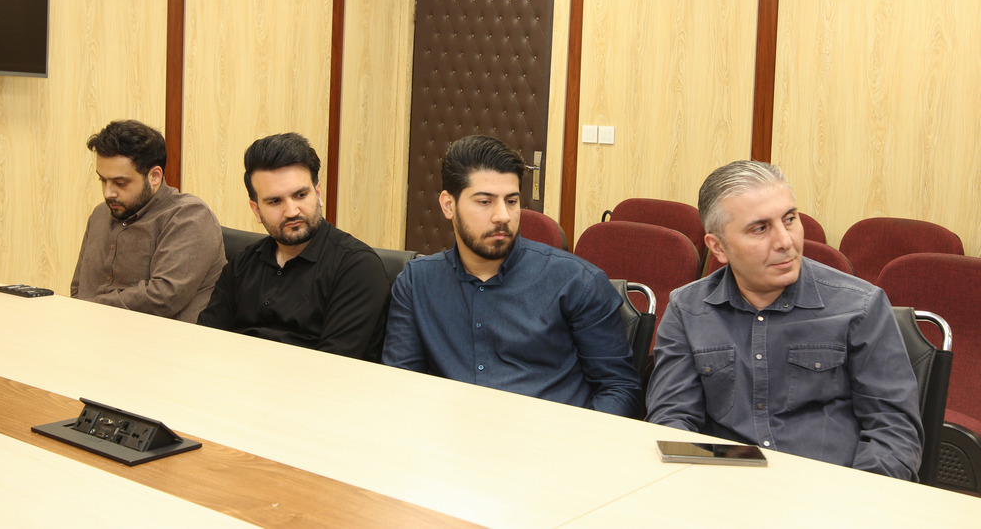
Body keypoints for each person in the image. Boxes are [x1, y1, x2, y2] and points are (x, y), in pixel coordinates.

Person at [645, 160, 923, 479]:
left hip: (832, 488)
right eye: (760, 228)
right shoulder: (687, 309)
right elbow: (672, 422)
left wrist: (853, 498)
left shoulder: (859, 306)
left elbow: (894, 434)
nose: (785, 242)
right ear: (718, 247)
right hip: (725, 485)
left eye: (790, 220)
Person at [383, 135, 642, 418]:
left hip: (553, 437)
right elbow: (401, 385)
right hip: (453, 435)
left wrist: (578, 440)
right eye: (485, 201)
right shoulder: (417, 283)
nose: (503, 216)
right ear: (448, 205)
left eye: (512, 201)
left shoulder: (576, 281)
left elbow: (620, 389)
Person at [197, 133, 390, 361]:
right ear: (256, 210)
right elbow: (206, 340)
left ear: (318, 194)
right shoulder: (242, 264)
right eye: (275, 201)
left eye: (300, 195)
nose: (291, 211)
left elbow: (332, 366)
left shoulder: (358, 268)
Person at [71, 120, 226, 322]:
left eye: (120, 183)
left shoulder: (189, 217)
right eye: (103, 180)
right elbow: (79, 288)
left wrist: (87, 309)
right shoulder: (100, 214)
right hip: (94, 330)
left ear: (154, 176)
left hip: (164, 338)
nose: (108, 193)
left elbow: (163, 297)